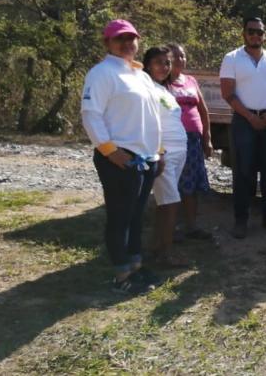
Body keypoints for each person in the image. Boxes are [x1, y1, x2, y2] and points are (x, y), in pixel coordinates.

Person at [81, 19, 164, 295]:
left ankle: (135, 266)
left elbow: (151, 116)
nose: (127, 43)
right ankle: (121, 276)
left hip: (145, 158)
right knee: (120, 217)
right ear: (107, 43)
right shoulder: (101, 73)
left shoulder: (140, 75)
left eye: (131, 38)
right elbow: (91, 115)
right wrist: (109, 150)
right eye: (120, 39)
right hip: (120, 158)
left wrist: (158, 152)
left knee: (136, 216)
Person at [219, 17, 266, 239]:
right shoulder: (231, 58)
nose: (255, 35)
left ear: (264, 35)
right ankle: (241, 220)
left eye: (259, 32)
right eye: (251, 31)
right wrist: (250, 117)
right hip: (243, 121)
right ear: (244, 33)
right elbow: (227, 94)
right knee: (243, 171)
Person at [143, 46, 188, 267]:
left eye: (167, 63)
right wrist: (158, 152)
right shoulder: (145, 89)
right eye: (158, 62)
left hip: (179, 151)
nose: (164, 67)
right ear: (148, 65)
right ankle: (166, 254)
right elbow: (149, 124)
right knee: (170, 202)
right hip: (164, 153)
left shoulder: (163, 89)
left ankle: (156, 246)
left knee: (165, 202)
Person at [168, 43, 213, 241]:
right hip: (173, 141)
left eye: (183, 56)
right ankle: (171, 228)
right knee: (173, 184)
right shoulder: (162, 83)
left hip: (194, 140)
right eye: (175, 56)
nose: (180, 59)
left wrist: (207, 138)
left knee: (191, 184)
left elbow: (203, 110)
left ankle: (191, 226)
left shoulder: (191, 81)